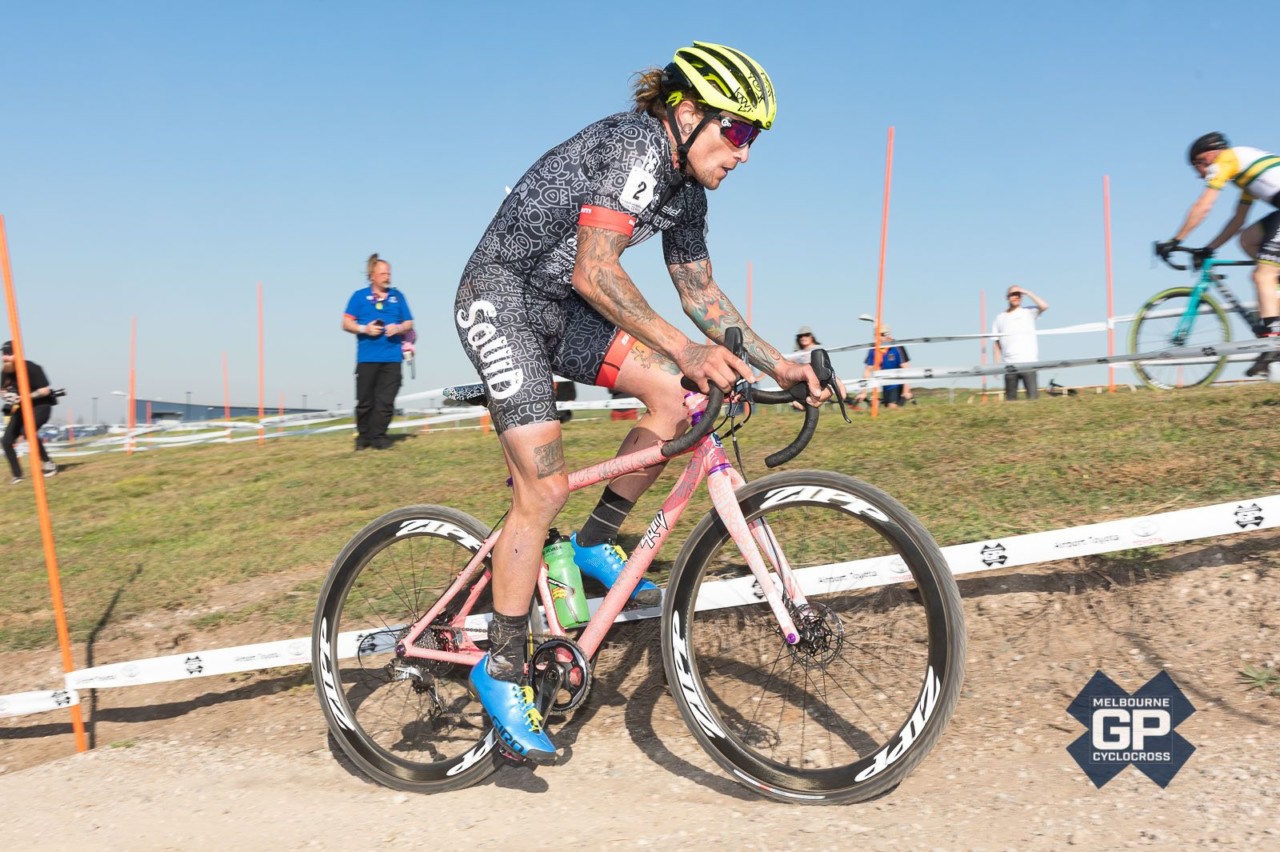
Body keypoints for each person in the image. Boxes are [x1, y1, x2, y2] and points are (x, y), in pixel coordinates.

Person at [454, 41, 826, 763]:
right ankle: (499, 666)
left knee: (676, 395)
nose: (745, 153)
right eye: (738, 131)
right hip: (502, 299)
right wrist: (687, 347)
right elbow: (597, 271)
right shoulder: (635, 148)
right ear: (687, 113)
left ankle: (594, 543)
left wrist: (778, 363)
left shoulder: (686, 188)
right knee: (544, 484)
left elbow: (700, 293)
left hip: (563, 310)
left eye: (755, 138)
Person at [1155, 133, 1280, 376]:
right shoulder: (1243, 174)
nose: (1199, 174)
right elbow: (1238, 220)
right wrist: (1209, 248)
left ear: (1210, 155)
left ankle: (1274, 340)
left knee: (1261, 276)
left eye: (1198, 165)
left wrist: (1176, 240)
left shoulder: (1226, 161)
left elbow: (1204, 206)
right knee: (1248, 239)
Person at [342, 254, 414, 450]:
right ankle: (363, 436)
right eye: (382, 273)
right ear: (372, 275)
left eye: (388, 273)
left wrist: (398, 329)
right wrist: (365, 329)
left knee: (386, 400)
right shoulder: (359, 297)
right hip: (367, 358)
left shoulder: (398, 297)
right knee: (365, 401)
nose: (387, 276)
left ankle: (379, 436)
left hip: (392, 358)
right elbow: (346, 323)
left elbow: (409, 322)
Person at [1, 341, 59, 484]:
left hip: (41, 406)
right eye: (3, 354)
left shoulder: (32, 368)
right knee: (6, 441)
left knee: (27, 431)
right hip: (21, 407)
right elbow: (2, 390)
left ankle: (48, 463)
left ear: (18, 354)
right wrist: (7, 396)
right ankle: (17, 475)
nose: (5, 358)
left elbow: (45, 390)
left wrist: (27, 396)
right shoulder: (5, 372)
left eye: (9, 354)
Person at [992, 286, 1048, 400]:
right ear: (1007, 297)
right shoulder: (999, 318)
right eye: (1013, 294)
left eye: (1019, 294)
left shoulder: (1028, 312)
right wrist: (996, 366)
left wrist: (1027, 292)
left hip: (1029, 363)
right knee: (1011, 402)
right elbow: (996, 344)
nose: (1016, 296)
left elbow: (1044, 306)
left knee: (1033, 400)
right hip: (1009, 365)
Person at [785, 325, 848, 406]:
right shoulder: (797, 354)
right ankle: (806, 402)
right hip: (805, 380)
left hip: (819, 376)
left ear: (811, 337)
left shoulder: (817, 348)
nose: (803, 337)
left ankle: (840, 394)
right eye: (800, 336)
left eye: (806, 335)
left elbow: (826, 365)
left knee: (833, 383)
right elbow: (784, 363)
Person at [853, 326, 912, 408]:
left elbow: (906, 369)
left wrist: (906, 391)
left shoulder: (897, 347)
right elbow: (867, 371)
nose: (877, 338)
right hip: (884, 384)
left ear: (886, 335)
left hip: (897, 384)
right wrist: (863, 392)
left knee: (892, 407)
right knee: (880, 407)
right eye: (875, 335)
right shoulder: (873, 349)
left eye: (880, 335)